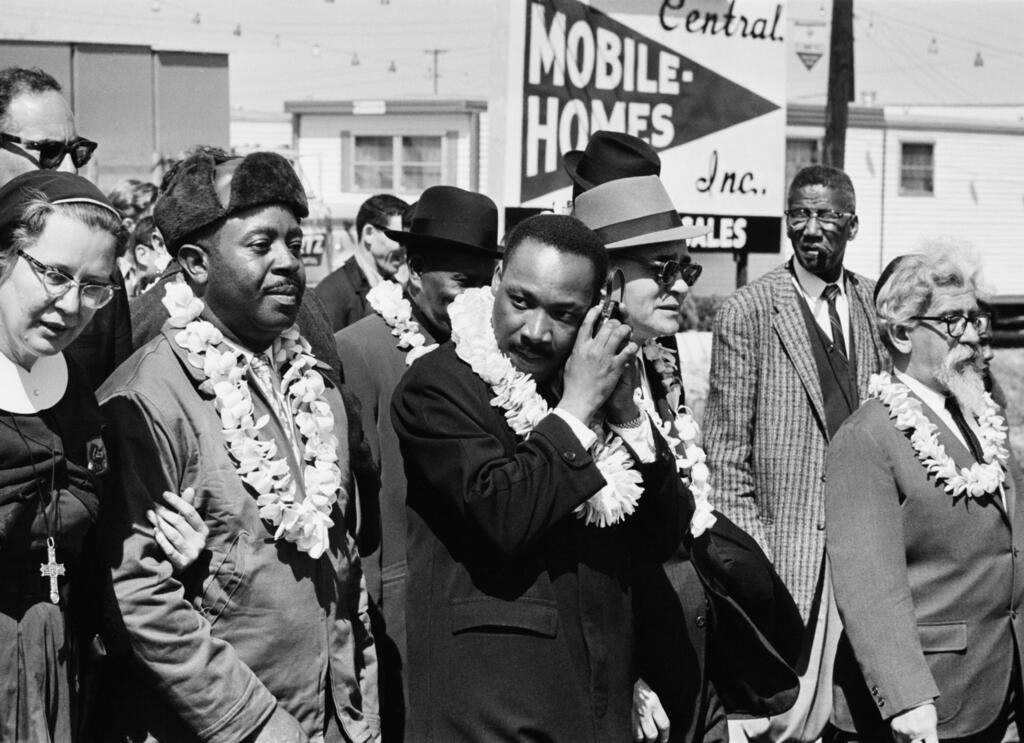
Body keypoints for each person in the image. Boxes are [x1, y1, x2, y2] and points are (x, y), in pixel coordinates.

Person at [96, 150, 379, 743]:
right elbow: (139, 596)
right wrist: (257, 727)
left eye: (294, 243)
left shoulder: (316, 386)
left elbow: (342, 569)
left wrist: (359, 703)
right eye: (260, 245)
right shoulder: (147, 398)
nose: (288, 263)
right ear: (195, 264)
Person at [392, 213, 689, 742]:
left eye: (564, 314)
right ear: (499, 275)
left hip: (596, 707)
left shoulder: (594, 386)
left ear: (598, 309)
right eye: (521, 301)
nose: (535, 331)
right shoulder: (437, 385)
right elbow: (503, 513)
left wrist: (625, 414)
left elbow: (663, 535)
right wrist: (577, 409)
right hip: (489, 714)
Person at [576, 176, 803, 743]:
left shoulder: (655, 361)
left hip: (693, 663)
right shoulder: (569, 386)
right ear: (607, 278)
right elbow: (575, 566)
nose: (679, 285)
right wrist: (623, 676)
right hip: (633, 683)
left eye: (687, 269)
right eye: (662, 268)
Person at [0, 170, 205, 742]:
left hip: (61, 671)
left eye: (94, 286)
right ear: (3, 257)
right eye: (55, 275)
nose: (72, 306)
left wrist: (172, 552)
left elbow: (90, 550)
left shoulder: (79, 393)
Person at [703, 164, 890, 740]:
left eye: (826, 216)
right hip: (789, 557)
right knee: (782, 720)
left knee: (858, 709)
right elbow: (726, 457)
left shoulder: (870, 303)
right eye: (799, 215)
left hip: (865, 542)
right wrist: (756, 566)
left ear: (852, 225)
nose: (810, 229)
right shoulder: (750, 310)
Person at [826, 247, 1024, 743]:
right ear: (900, 333)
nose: (974, 335)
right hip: (926, 707)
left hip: (998, 685)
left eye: (975, 318)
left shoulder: (979, 414)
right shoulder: (866, 437)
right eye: (953, 321)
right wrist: (907, 697)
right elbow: (869, 585)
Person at [334, 185, 499, 740]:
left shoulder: (493, 351)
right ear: (413, 269)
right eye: (461, 284)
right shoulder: (360, 348)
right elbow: (356, 495)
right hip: (403, 604)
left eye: (484, 284)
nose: (476, 299)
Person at [0, 65, 131, 390]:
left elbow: (114, 395)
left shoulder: (97, 270)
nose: (70, 167)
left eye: (77, 151)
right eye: (49, 151)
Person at [316, 193, 409, 331]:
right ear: (369, 233)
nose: (405, 250)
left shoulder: (398, 288)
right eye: (400, 239)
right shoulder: (332, 292)